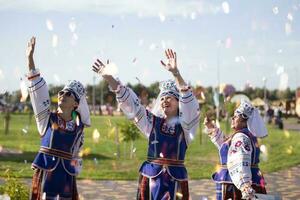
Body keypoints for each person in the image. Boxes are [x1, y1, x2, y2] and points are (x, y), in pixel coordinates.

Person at [92, 49, 200, 200]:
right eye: (162, 98)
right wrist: (110, 78)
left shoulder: (185, 128)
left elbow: (189, 103)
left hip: (175, 183)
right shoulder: (152, 123)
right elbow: (133, 105)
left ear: (179, 102)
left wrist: (176, 74)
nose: (164, 101)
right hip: (151, 181)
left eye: (170, 97)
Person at [26, 37, 90, 199]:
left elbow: (76, 153)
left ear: (76, 104)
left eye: (68, 94)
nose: (62, 95)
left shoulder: (78, 128)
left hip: (66, 177)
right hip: (47, 174)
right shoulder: (46, 118)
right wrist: (30, 59)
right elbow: (38, 92)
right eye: (61, 92)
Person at [204, 101, 267, 200]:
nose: (232, 119)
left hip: (234, 184)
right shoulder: (244, 135)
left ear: (244, 121)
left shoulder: (241, 137)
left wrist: (245, 186)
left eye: (235, 117)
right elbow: (227, 148)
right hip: (241, 180)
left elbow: (240, 161)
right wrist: (211, 128)